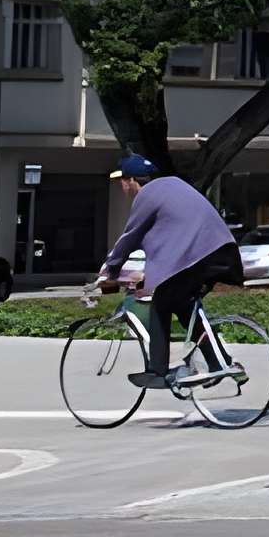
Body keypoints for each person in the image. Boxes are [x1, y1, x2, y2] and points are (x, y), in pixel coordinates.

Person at [95, 154, 243, 390]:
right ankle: (216, 362)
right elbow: (163, 238)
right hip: (220, 253)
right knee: (183, 306)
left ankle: (158, 370)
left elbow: (130, 236)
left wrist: (110, 270)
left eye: (122, 180)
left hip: (204, 257)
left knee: (162, 302)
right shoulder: (172, 185)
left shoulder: (148, 195)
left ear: (132, 180)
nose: (122, 186)